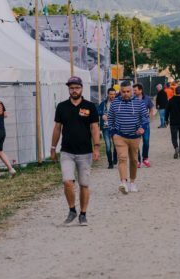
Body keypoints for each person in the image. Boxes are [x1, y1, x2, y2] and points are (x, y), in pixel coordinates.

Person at [50, 76, 100, 226]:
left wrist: (96, 147)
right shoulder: (62, 106)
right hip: (67, 151)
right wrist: (53, 147)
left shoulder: (90, 106)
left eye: (76, 88)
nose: (74, 90)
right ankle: (72, 210)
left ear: (81, 88)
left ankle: (83, 214)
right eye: (71, 88)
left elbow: (94, 128)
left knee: (84, 184)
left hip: (85, 152)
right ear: (69, 90)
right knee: (67, 182)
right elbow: (57, 128)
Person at [108, 80, 149, 194]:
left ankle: (132, 182)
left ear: (132, 91)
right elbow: (110, 118)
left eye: (128, 91)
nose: (126, 94)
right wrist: (113, 132)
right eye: (123, 92)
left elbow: (145, 118)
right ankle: (123, 183)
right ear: (120, 91)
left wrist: (142, 128)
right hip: (120, 135)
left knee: (134, 160)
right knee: (122, 158)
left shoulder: (139, 103)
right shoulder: (115, 103)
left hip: (135, 136)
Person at [165, 86, 180, 159]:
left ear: (175, 92)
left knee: (174, 137)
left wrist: (166, 120)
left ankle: (176, 147)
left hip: (173, 122)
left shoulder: (171, 100)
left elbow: (167, 111)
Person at [133, 83, 155, 168]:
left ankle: (145, 158)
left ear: (140, 90)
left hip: (145, 124)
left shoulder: (147, 98)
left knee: (146, 141)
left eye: (135, 90)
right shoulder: (132, 99)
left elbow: (151, 108)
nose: (134, 91)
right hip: (135, 124)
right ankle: (138, 160)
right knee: (136, 143)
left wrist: (150, 117)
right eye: (133, 90)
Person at [98, 87, 118, 169]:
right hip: (105, 127)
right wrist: (102, 115)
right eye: (111, 94)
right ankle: (110, 163)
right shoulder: (103, 103)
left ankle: (115, 158)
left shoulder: (118, 103)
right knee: (108, 146)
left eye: (114, 94)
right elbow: (98, 111)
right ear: (108, 94)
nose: (112, 96)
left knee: (116, 145)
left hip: (115, 127)